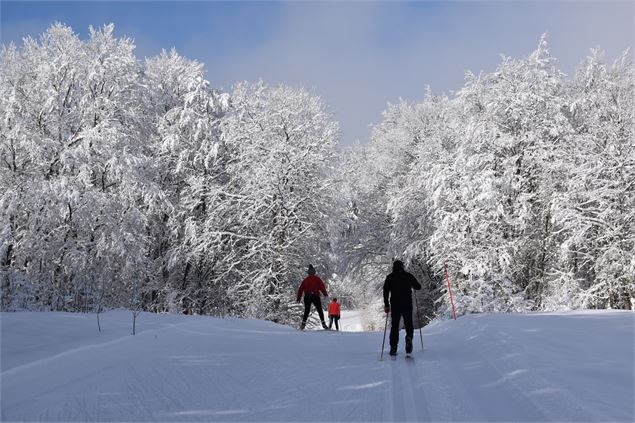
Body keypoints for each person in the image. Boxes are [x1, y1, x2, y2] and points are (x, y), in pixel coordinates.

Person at [383, 260, 421, 356]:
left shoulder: (390, 277)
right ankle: (409, 337)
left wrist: (386, 304)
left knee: (395, 326)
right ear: (402, 266)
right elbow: (418, 287)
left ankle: (393, 347)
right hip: (407, 303)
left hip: (395, 305)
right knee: (408, 323)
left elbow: (385, 291)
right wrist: (413, 286)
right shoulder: (408, 276)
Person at [296, 264, 329, 330]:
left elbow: (300, 289)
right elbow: (322, 287)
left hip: (307, 296)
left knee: (307, 310)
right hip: (315, 295)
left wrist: (298, 298)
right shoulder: (317, 279)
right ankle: (323, 324)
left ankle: (303, 324)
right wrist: (325, 294)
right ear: (314, 272)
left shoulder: (305, 280)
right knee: (319, 309)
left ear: (308, 273)